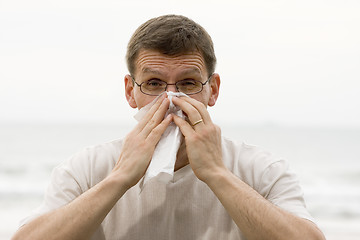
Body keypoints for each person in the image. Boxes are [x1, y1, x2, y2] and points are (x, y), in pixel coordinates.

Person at [12, 14, 325, 240]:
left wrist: (217, 173)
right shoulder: (87, 167)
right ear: (129, 91)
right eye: (154, 83)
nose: (171, 98)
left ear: (212, 90)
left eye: (188, 83)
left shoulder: (261, 168)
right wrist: (121, 177)